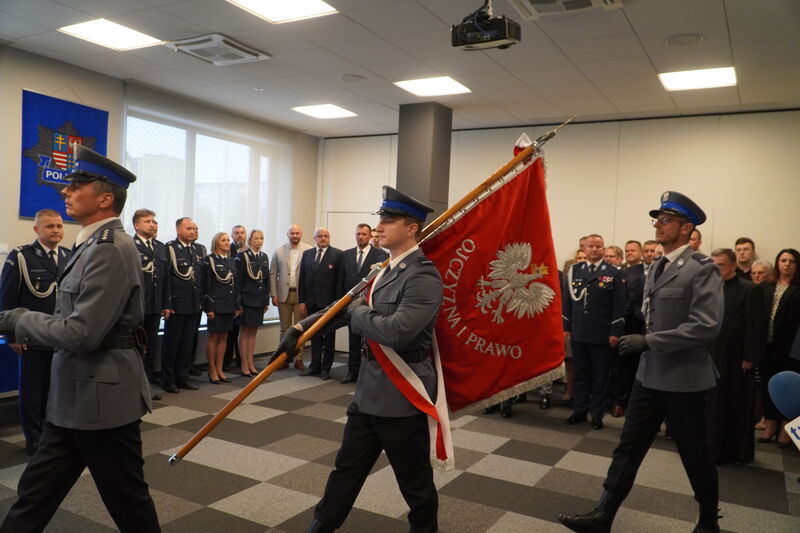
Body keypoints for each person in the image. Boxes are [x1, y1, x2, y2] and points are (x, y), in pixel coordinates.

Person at [0, 145, 160, 532]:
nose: (65, 191)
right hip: (74, 396)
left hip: (102, 401)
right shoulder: (89, 243)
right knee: (34, 497)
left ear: (105, 197)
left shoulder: (110, 248)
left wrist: (19, 319)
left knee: (129, 504)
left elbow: (82, 332)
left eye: (77, 185)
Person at [275, 186, 442, 533]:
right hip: (368, 391)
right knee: (346, 468)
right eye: (380, 218)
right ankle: (322, 525)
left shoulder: (424, 275)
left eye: (389, 220)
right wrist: (301, 329)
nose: (379, 226)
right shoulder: (382, 269)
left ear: (412, 228)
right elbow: (340, 308)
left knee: (414, 482)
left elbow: (397, 332)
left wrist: (358, 311)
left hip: (402, 394)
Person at [558, 191, 724, 533]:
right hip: (650, 375)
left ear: (686, 227)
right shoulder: (656, 266)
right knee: (628, 447)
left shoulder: (701, 269)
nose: (657, 225)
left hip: (684, 379)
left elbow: (705, 327)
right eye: (657, 219)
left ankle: (708, 521)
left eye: (665, 220)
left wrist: (649, 341)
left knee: (695, 455)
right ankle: (604, 513)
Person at [0, 209, 71, 455]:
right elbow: (7, 299)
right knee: (31, 390)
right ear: (37, 230)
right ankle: (33, 437)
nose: (56, 231)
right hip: (31, 336)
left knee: (54, 388)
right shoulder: (21, 256)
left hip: (60, 336)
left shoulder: (68, 256)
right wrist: (12, 335)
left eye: (59, 226)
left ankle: (51, 432)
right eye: (50, 226)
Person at [707, 248, 766, 464]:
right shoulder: (708, 288)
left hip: (736, 358)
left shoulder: (750, 290)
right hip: (711, 353)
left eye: (720, 265)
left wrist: (750, 357)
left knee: (733, 405)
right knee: (712, 404)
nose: (715, 269)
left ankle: (731, 453)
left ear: (732, 266)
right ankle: (709, 449)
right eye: (712, 265)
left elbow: (756, 326)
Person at [563, 234, 626, 430]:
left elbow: (619, 306)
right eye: (591, 246)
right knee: (581, 375)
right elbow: (567, 302)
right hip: (579, 332)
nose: (594, 249)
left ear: (603, 248)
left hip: (602, 334)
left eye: (598, 246)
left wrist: (615, 331)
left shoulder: (614, 272)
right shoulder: (574, 270)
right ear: (584, 248)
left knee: (600, 376)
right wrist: (566, 327)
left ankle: (597, 415)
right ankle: (579, 411)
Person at [759, 249, 800, 448]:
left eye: (791, 261)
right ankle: (770, 424)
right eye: (783, 260)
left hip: (790, 348)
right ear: (777, 263)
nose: (787, 264)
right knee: (767, 386)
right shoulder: (767, 286)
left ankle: (785, 427)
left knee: (786, 388)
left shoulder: (798, 288)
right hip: (767, 346)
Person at [338, 223, 388, 384]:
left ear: (369, 236)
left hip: (370, 305)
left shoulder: (380, 255)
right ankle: (352, 372)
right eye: (358, 234)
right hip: (351, 305)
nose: (361, 237)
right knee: (353, 339)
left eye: (364, 234)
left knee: (370, 341)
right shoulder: (346, 255)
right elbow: (341, 280)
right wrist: (341, 303)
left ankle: (370, 374)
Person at [132, 209, 171, 401]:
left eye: (154, 221)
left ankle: (147, 384)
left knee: (151, 347)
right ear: (136, 225)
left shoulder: (160, 247)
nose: (152, 224)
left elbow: (165, 279)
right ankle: (133, 386)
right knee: (134, 347)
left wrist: (166, 303)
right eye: (147, 221)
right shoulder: (130, 245)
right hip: (136, 306)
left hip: (155, 306)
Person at [162, 217, 204, 394]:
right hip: (177, 304)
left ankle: (183, 377)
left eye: (195, 228)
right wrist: (168, 303)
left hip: (194, 304)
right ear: (179, 231)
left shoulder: (198, 249)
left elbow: (200, 279)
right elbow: (166, 278)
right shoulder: (170, 248)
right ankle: (168, 380)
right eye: (189, 228)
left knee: (187, 344)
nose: (193, 231)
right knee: (172, 344)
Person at [298, 227, 343, 380]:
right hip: (311, 302)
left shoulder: (338, 255)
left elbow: (339, 282)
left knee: (329, 337)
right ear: (314, 238)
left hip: (329, 304)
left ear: (329, 238)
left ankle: (326, 368)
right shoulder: (307, 254)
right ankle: (314, 366)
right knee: (314, 336)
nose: (323, 238)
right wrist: (302, 300)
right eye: (320, 236)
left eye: (326, 236)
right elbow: (302, 279)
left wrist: (338, 303)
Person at [610, 241, 647, 418]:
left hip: (636, 325)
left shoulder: (647, 272)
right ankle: (619, 401)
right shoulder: (621, 272)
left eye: (633, 250)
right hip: (619, 325)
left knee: (633, 367)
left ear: (640, 252)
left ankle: (631, 403)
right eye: (627, 251)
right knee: (619, 367)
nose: (630, 253)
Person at [270, 224, 312, 370]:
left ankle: (298, 359)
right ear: (287, 234)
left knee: (300, 328)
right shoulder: (279, 251)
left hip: (301, 296)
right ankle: (283, 358)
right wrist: (274, 294)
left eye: (297, 233)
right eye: (292, 233)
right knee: (284, 328)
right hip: (283, 295)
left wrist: (307, 298)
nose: (295, 235)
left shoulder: (308, 250)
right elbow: (273, 273)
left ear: (301, 234)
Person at [202, 232, 241, 384]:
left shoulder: (231, 261)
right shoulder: (210, 260)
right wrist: (209, 308)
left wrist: (237, 305)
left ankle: (220, 368)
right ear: (216, 243)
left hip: (229, 304)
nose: (227, 243)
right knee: (214, 337)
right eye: (223, 240)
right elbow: (207, 286)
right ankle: (212, 369)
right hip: (216, 304)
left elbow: (236, 285)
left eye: (227, 240)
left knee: (224, 337)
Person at [235, 229, 270, 377]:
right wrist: (239, 303)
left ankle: (250, 362)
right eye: (256, 239)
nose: (259, 241)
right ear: (250, 240)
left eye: (261, 238)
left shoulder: (264, 256)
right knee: (245, 331)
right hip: (247, 299)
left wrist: (266, 300)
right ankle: (244, 363)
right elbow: (238, 281)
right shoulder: (243, 256)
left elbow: (266, 280)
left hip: (259, 299)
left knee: (254, 331)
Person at [223, 224, 247, 371]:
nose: (239, 235)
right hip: (229, 297)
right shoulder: (227, 251)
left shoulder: (249, 252)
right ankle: (225, 362)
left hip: (246, 297)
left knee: (242, 331)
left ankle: (241, 361)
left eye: (242, 233)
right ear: (232, 236)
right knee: (230, 332)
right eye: (236, 233)